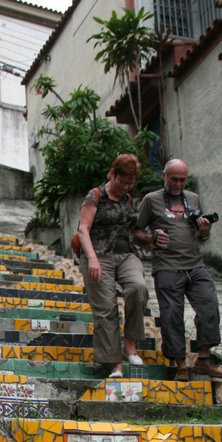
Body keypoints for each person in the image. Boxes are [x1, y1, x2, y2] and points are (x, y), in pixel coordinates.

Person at [134, 157, 222, 381]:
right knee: (172, 316)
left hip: (195, 264)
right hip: (166, 267)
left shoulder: (193, 199)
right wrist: (152, 237)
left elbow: (202, 236)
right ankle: (181, 365)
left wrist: (205, 230)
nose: (177, 184)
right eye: (173, 179)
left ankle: (204, 359)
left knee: (209, 306)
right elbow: (135, 232)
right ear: (164, 176)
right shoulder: (151, 200)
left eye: (182, 180)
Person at [76, 153, 148, 379]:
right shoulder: (95, 195)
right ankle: (115, 364)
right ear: (112, 174)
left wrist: (151, 238)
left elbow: (134, 230)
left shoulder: (127, 199)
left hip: (125, 254)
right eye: (122, 181)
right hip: (99, 255)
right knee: (107, 310)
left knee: (138, 288)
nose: (126, 186)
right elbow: (83, 229)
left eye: (130, 183)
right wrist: (92, 259)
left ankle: (129, 345)